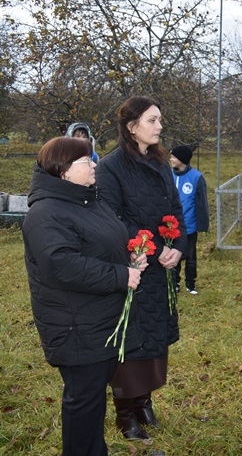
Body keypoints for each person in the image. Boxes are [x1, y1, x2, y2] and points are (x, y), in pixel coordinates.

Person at [22, 136, 146, 455]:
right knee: (83, 402)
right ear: (63, 170)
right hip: (74, 325)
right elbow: (62, 265)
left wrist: (131, 257)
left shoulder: (87, 200)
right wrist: (122, 275)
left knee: (91, 400)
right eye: (87, 161)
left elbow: (103, 244)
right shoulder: (46, 213)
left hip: (98, 319)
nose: (94, 165)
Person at [95, 96, 187, 440]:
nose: (160, 127)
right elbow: (112, 219)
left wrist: (177, 246)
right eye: (152, 120)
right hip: (132, 266)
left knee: (154, 336)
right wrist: (150, 245)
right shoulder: (111, 167)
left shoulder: (162, 164)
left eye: (159, 120)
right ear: (132, 127)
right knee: (131, 339)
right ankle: (125, 411)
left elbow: (175, 209)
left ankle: (144, 402)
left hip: (161, 266)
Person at [169, 144, 209, 295]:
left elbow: (201, 203)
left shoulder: (196, 177)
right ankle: (174, 283)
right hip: (171, 227)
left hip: (189, 226)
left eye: (173, 156)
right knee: (173, 256)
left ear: (182, 159)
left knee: (191, 257)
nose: (171, 159)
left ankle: (190, 284)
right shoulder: (168, 175)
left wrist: (202, 224)